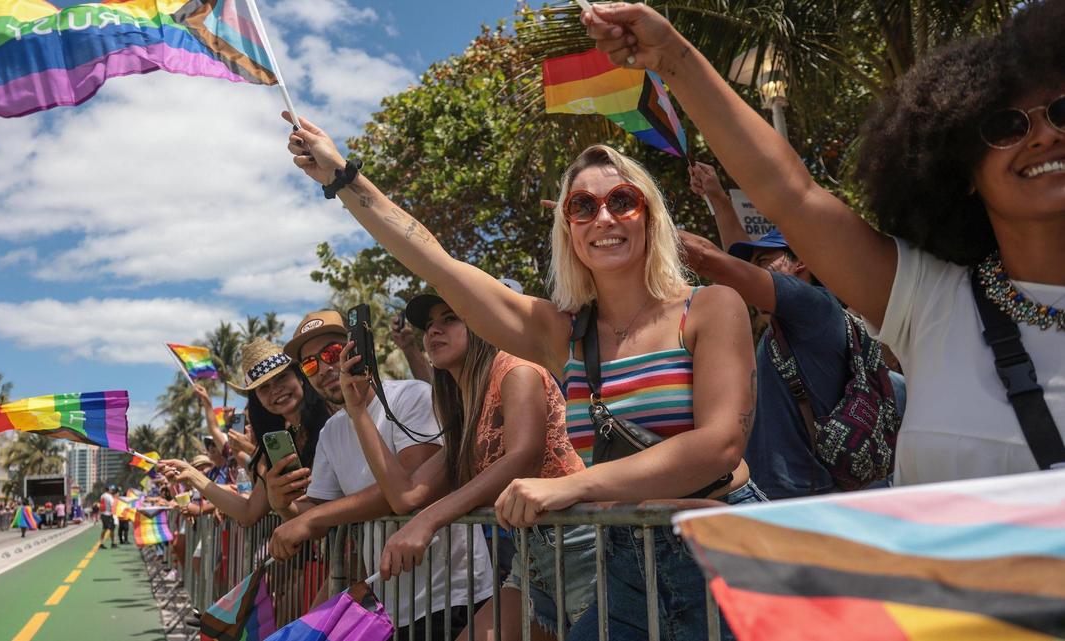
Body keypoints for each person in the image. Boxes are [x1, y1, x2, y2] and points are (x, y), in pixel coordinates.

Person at [284, 117, 762, 641]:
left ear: (649, 214)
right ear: (569, 230)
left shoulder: (711, 306)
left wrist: (569, 489)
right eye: (582, 206)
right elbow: (437, 265)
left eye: (621, 200)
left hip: (719, 551)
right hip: (627, 562)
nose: (603, 217)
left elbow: (719, 445)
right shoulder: (562, 334)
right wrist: (343, 177)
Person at [579, 0, 1064, 483]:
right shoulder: (931, 299)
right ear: (964, 171)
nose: (1043, 135)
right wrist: (672, 58)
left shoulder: (814, 310)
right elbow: (791, 194)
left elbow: (722, 256)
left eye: (1061, 113)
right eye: (1007, 126)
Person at [368, 294, 592, 639]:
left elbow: (522, 457)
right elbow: (406, 497)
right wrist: (357, 411)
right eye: (429, 325)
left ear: (482, 324)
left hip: (583, 547)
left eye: (450, 318)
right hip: (532, 557)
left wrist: (429, 520)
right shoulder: (464, 407)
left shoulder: (516, 367)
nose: (434, 331)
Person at [268, 309, 494, 640]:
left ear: (356, 346)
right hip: (390, 606)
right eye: (310, 364)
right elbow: (315, 512)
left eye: (332, 353)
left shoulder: (411, 395)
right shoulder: (331, 431)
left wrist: (309, 520)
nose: (324, 368)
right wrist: (284, 506)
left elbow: (412, 484)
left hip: (452, 595)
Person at [679, 162, 896, 498]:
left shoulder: (814, 308)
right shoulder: (795, 325)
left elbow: (712, 261)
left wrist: (632, 222)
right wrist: (719, 199)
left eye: (765, 261)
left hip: (802, 500)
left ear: (802, 263)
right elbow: (739, 268)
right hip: (786, 495)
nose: (755, 271)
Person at [159, 338, 329, 526]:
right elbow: (250, 512)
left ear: (300, 377)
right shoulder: (277, 445)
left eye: (282, 377)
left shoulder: (334, 421)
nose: (276, 389)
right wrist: (193, 475)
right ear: (258, 400)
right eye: (264, 387)